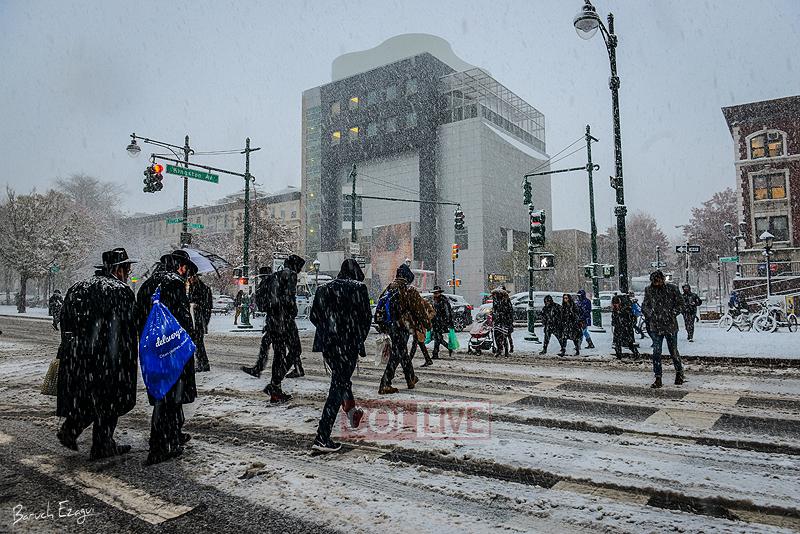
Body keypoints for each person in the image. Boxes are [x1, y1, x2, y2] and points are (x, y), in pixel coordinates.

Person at [56, 248, 139, 460]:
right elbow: (127, 328)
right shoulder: (120, 291)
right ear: (118, 270)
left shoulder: (78, 287)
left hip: (78, 357)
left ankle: (71, 429)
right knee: (109, 402)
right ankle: (102, 444)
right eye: (127, 269)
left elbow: (65, 322)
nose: (128, 274)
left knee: (87, 398)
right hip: (108, 358)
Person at [136, 249, 198, 465]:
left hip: (153, 350)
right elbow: (183, 320)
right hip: (172, 351)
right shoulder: (175, 284)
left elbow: (139, 317)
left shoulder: (148, 284)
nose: (186, 274)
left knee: (164, 394)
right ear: (181, 266)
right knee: (170, 398)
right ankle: (161, 446)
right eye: (186, 269)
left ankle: (173, 434)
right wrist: (190, 343)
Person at [309, 259, 372, 453]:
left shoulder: (323, 289)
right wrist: (356, 338)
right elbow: (366, 319)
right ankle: (322, 436)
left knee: (340, 379)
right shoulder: (358, 289)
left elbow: (314, 316)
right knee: (337, 387)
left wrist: (329, 331)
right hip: (348, 345)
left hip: (329, 346)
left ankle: (352, 412)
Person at [376, 264, 431, 394]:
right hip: (402, 326)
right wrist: (427, 324)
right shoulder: (409, 290)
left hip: (390, 326)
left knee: (402, 352)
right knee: (397, 354)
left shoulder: (389, 288)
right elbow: (419, 310)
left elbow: (380, 304)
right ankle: (385, 383)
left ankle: (410, 378)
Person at [262, 255, 306, 403]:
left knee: (279, 355)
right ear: (295, 266)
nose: (299, 271)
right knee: (295, 350)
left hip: (273, 321)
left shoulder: (275, 276)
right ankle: (275, 383)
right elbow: (288, 299)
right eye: (299, 267)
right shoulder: (290, 275)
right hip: (285, 321)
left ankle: (276, 391)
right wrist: (292, 311)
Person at [642, 270, 686, 389]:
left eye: (659, 280)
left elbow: (681, 304)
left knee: (673, 351)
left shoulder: (672, 289)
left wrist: (672, 313)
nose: (657, 283)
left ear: (662, 279)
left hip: (670, 325)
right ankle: (658, 377)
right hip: (656, 326)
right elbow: (645, 305)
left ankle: (679, 373)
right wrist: (651, 314)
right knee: (656, 352)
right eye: (655, 281)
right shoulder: (649, 290)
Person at [242, 266, 273, 378]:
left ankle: (260, 369)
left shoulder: (265, 286)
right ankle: (297, 367)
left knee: (268, 345)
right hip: (279, 319)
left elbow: (263, 305)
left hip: (275, 320)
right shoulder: (275, 284)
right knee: (288, 346)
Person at [188, 271, 213, 372]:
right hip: (196, 319)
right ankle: (202, 363)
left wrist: (197, 306)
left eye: (191, 277)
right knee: (197, 343)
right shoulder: (192, 288)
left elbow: (208, 306)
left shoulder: (203, 289)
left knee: (198, 342)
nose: (190, 279)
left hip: (198, 320)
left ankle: (203, 363)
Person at [611, 295, 640, 359]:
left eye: (616, 304)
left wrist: (625, 324)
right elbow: (614, 317)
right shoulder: (616, 309)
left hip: (625, 328)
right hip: (618, 328)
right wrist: (614, 322)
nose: (614, 306)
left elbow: (629, 319)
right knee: (617, 343)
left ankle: (636, 354)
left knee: (629, 343)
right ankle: (619, 356)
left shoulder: (626, 309)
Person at [431, 286, 453, 360]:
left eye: (436, 293)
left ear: (440, 293)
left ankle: (437, 353)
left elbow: (447, 312)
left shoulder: (443, 301)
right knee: (437, 338)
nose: (435, 294)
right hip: (435, 321)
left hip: (441, 322)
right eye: (434, 293)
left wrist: (447, 321)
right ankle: (436, 353)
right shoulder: (433, 300)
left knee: (438, 338)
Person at [491, 287, 513, 357]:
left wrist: (509, 320)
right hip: (498, 320)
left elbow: (510, 310)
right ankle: (499, 349)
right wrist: (493, 316)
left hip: (504, 320)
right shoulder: (495, 300)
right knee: (496, 335)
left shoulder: (506, 300)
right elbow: (494, 309)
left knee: (504, 336)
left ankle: (506, 351)